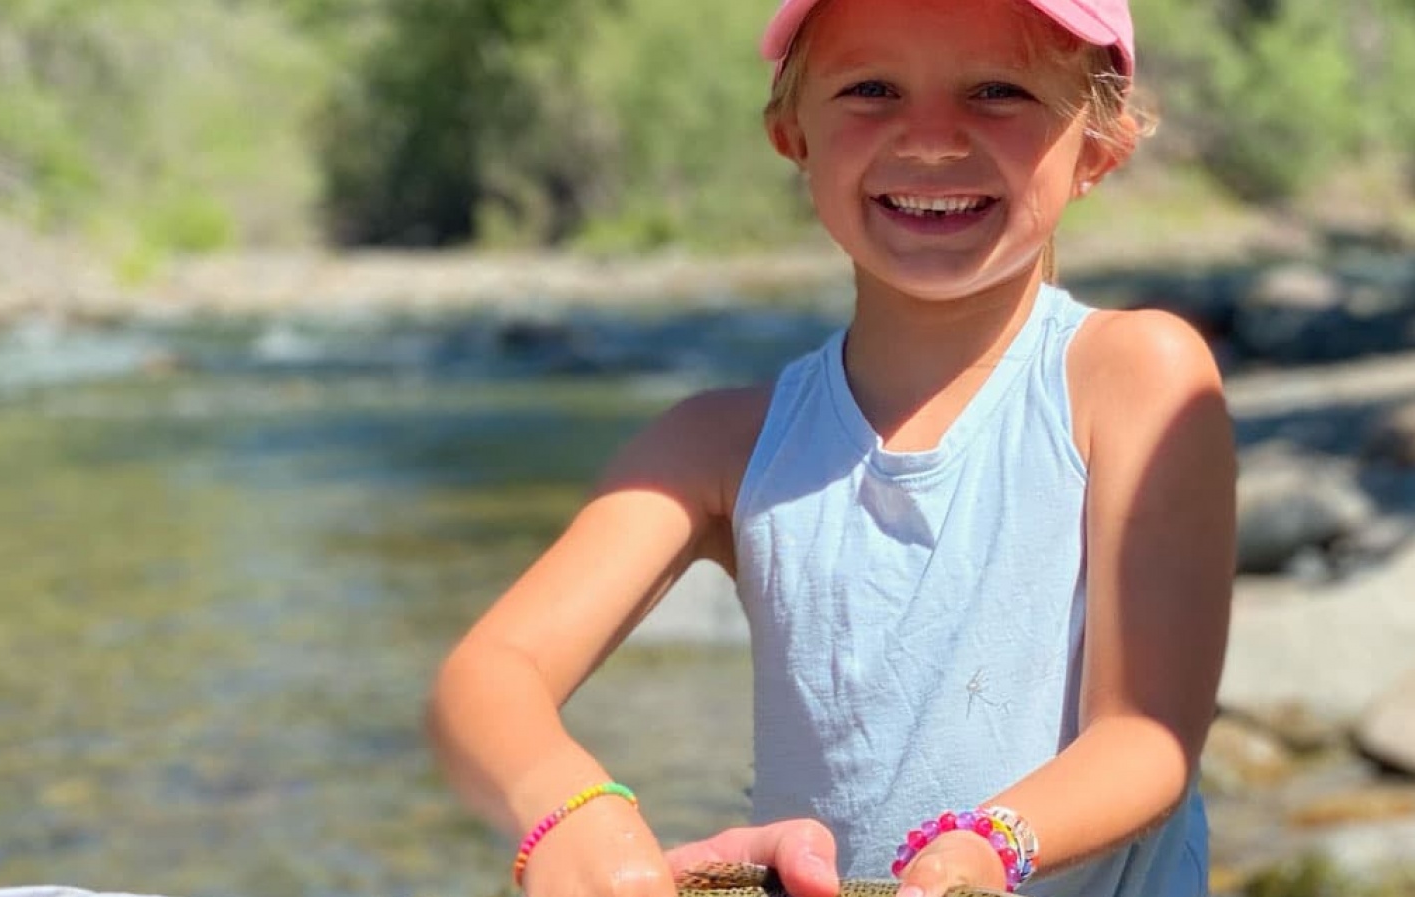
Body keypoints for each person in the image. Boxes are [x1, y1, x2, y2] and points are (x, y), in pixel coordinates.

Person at [424, 0, 1238, 894]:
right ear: (792, 135)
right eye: (871, 89)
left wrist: (987, 847)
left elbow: (1146, 736)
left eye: (999, 91)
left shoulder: (1135, 378)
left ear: (1099, 147)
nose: (930, 139)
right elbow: (490, 673)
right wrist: (567, 806)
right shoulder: (721, 446)